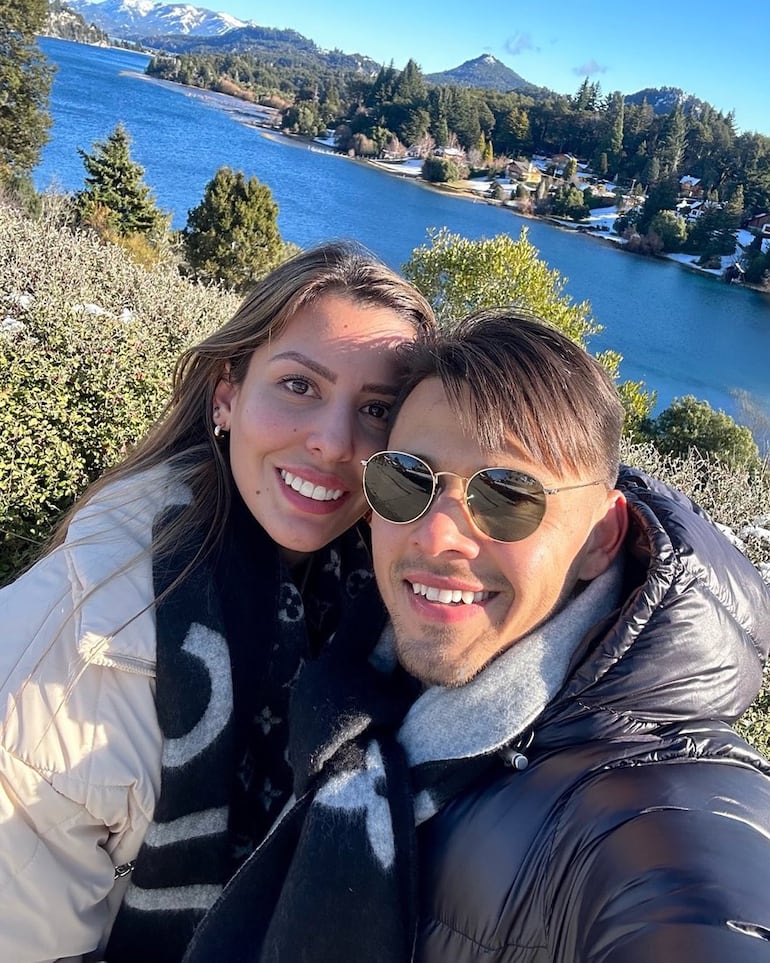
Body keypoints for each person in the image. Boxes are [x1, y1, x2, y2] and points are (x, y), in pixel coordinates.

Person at [181, 308, 770, 963]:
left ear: (602, 535)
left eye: (508, 496)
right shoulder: (352, 675)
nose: (437, 536)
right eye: (406, 479)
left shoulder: (646, 806)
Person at [0, 240, 435, 963]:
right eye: (300, 385)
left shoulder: (390, 611)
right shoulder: (71, 647)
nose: (333, 443)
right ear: (226, 395)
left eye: (379, 409)